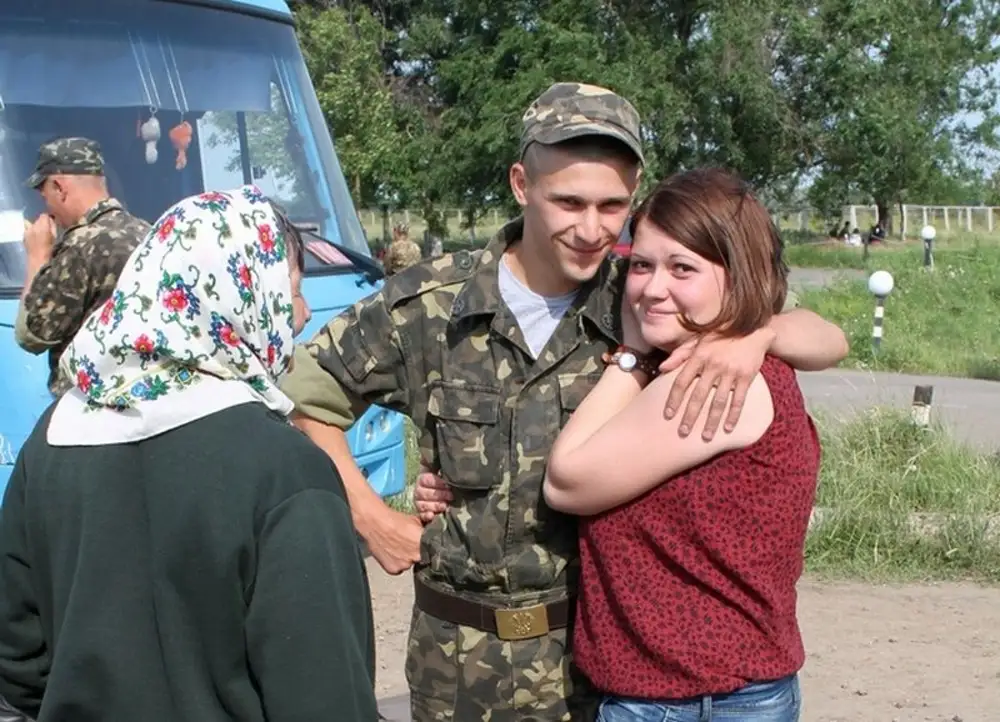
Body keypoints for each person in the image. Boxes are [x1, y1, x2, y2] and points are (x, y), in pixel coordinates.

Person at [282, 82, 848, 722]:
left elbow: (819, 334)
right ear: (522, 185)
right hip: (459, 668)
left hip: (596, 668)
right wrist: (371, 516)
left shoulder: (642, 299)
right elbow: (303, 399)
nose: (591, 229)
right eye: (569, 201)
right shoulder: (429, 305)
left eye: (612, 206)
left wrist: (761, 336)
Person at [0, 187, 379, 722]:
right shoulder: (284, 469)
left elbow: (17, 661)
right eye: (288, 291)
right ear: (243, 297)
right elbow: (324, 695)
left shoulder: (53, 437)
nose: (301, 313)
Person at [540, 168, 820, 721]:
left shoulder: (716, 384)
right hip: (713, 694)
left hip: (688, 703)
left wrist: (629, 355)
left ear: (737, 277)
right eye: (641, 264)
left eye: (682, 268)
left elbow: (566, 480)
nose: (653, 287)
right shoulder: (734, 359)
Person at [16, 136, 152, 396]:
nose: (48, 209)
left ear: (59, 187)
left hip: (88, 408)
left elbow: (31, 334)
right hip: (142, 397)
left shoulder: (80, 244)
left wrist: (37, 256)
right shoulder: (146, 232)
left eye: (46, 198)